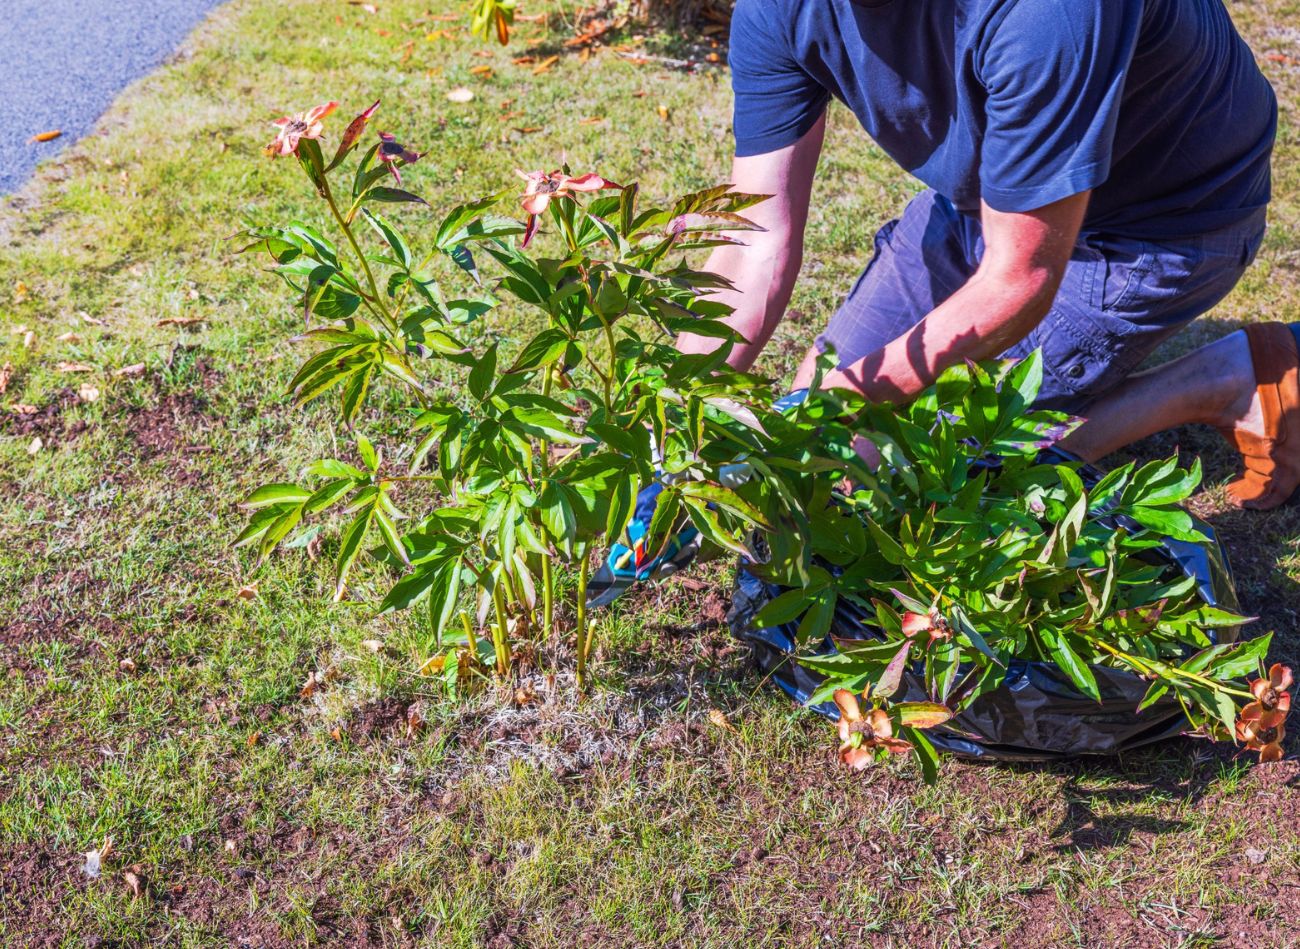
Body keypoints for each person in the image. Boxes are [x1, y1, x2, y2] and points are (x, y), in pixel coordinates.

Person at [590, 0, 1284, 604]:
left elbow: (1018, 279)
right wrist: (678, 423)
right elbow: (758, 235)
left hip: (1162, 221)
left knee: (908, 494)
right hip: (989, 201)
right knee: (813, 478)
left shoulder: (1047, 11)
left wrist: (835, 402)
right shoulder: (780, 8)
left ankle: (1224, 381)